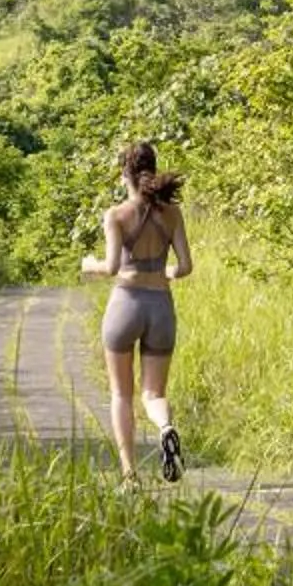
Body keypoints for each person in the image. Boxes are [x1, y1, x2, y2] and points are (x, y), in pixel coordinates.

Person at [79, 139, 195, 485]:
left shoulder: (116, 215)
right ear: (152, 171)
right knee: (154, 394)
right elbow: (185, 267)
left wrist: (89, 264)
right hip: (160, 306)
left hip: (125, 304)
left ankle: (130, 475)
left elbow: (112, 266)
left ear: (123, 174)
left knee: (121, 394)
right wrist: (165, 273)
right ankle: (165, 427)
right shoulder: (172, 214)